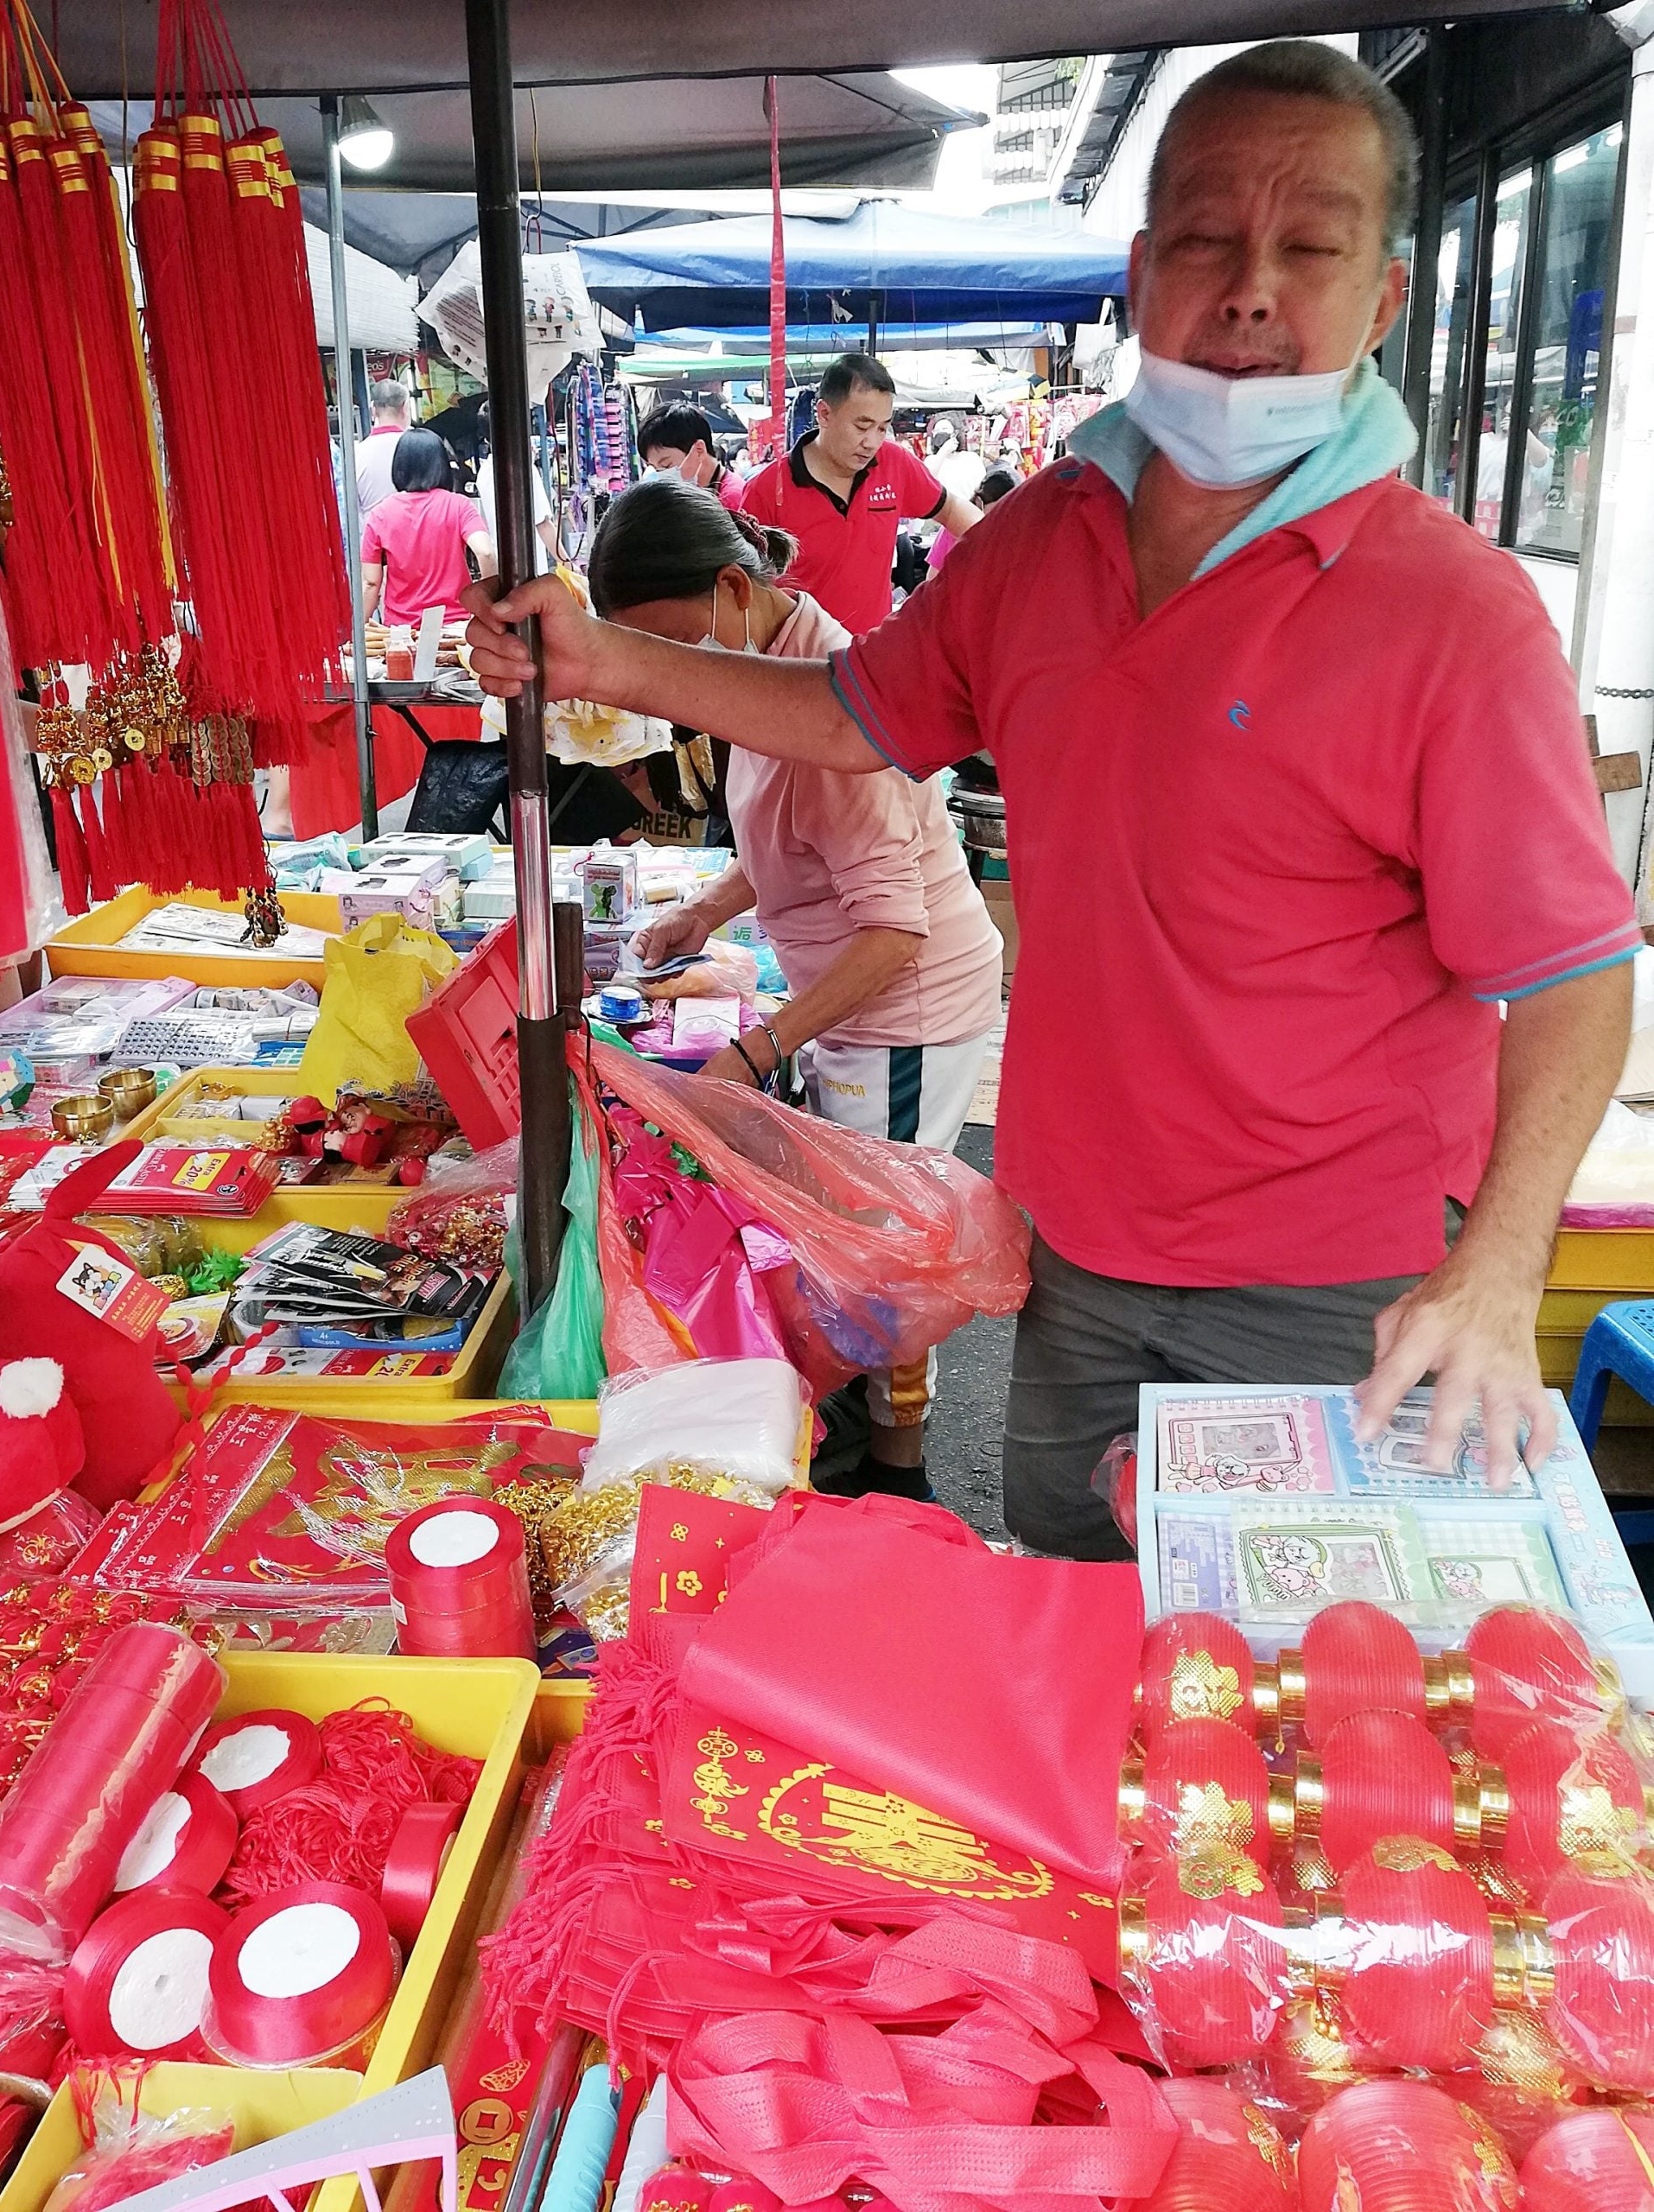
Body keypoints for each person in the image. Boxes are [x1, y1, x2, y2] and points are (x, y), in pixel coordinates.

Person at [468, 40, 1638, 1554]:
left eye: (1310, 248)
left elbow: (1571, 976)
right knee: (1069, 1635)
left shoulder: (1454, 613)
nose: (1250, 292)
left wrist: (1499, 1270)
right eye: (1208, 240)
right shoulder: (1040, 542)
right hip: (1077, 1257)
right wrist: (605, 657)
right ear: (1144, 271)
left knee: (1265, 1707)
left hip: (1333, 1285)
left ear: (1384, 297)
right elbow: (848, 711)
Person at [593, 478, 1003, 1500]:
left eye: (672, 652)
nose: (670, 682)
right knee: (847, 1240)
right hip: (857, 1001)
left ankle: (899, 1471)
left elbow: (894, 932)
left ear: (735, 588)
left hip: (903, 1018)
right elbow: (798, 851)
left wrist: (759, 1049)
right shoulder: (768, 667)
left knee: (886, 1255)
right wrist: (711, 911)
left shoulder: (820, 698)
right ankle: (861, 1436)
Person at [740, 353, 982, 634]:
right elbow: (745, 588)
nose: (872, 442)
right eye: (862, 427)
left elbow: (953, 510)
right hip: (796, 662)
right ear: (824, 414)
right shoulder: (768, 489)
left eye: (882, 428)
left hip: (868, 658)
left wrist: (1003, 551)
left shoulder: (895, 464)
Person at [360, 429, 493, 628]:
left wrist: (358, 633)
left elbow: (371, 584)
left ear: (400, 467)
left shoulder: (381, 514)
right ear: (441, 465)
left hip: (403, 632)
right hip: (456, 628)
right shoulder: (459, 505)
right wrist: (489, 606)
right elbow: (486, 552)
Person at [471, 402, 561, 573]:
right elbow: (543, 524)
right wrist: (567, 563)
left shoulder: (484, 473)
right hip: (530, 567)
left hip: (503, 567)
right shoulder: (523, 468)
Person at [638, 403, 747, 512]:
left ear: (699, 450)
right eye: (656, 469)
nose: (662, 476)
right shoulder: (693, 494)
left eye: (667, 466)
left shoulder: (733, 500)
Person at [927, 464, 1018, 576]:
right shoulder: (953, 525)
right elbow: (933, 575)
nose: (1001, 515)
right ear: (980, 501)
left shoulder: (1009, 535)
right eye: (997, 508)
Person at [353, 380, 412, 527]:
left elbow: (354, 511)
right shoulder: (419, 447)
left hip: (374, 538)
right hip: (415, 536)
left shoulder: (356, 454)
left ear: (373, 409)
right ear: (404, 407)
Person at [926, 417, 986, 505]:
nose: (941, 432)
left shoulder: (971, 458)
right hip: (940, 511)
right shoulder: (931, 460)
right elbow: (928, 479)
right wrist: (944, 451)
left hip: (967, 509)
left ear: (955, 433)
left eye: (945, 429)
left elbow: (982, 487)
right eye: (937, 430)